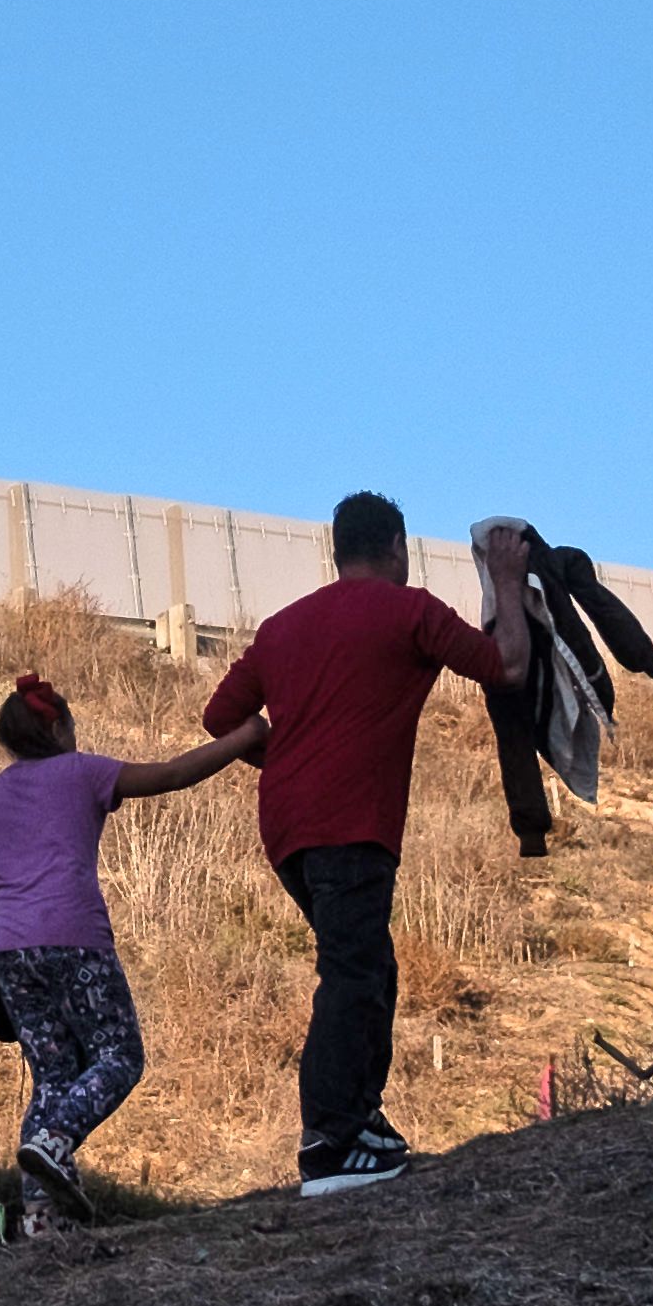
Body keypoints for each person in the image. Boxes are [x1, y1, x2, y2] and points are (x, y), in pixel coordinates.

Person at [199, 493, 533, 1194]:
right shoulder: (408, 609)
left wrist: (280, 752)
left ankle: (361, 1118)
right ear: (394, 547)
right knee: (351, 974)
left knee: (369, 966)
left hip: (285, 827)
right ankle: (328, 1139)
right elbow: (506, 666)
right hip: (351, 823)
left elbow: (219, 715)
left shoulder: (281, 626)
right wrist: (507, 579)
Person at [0, 673, 269, 1235]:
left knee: (54, 1075)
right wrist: (244, 736)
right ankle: (53, 1141)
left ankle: (40, 1219)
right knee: (119, 1057)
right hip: (74, 938)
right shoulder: (82, 771)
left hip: (9, 954)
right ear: (58, 726)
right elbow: (174, 774)